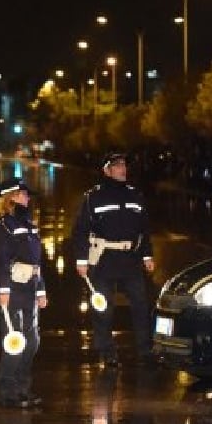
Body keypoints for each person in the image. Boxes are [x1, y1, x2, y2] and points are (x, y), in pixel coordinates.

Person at [71, 152, 156, 367]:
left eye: (124, 165)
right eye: (117, 166)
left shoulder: (135, 196)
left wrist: (147, 255)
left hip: (130, 259)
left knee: (140, 304)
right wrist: (81, 260)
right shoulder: (94, 197)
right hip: (104, 260)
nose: (122, 169)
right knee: (103, 308)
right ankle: (106, 350)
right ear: (106, 170)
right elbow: (81, 230)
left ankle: (145, 350)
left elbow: (144, 230)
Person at [0, 177, 48, 408]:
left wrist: (41, 289)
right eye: (23, 194)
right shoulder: (1, 225)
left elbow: (36, 261)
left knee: (32, 341)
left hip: (30, 288)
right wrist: (2, 290)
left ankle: (23, 388)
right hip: (11, 289)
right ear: (11, 196)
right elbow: (1, 260)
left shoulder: (29, 224)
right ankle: (8, 391)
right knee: (14, 341)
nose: (28, 197)